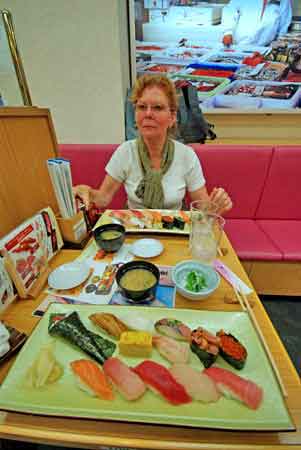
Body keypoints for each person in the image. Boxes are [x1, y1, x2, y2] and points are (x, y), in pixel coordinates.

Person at [73, 74, 232, 215]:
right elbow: (102, 198)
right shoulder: (125, 152)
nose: (148, 113)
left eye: (158, 107)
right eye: (142, 107)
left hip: (173, 229)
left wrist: (216, 205)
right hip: (135, 229)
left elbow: (202, 208)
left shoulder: (186, 155)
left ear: (172, 117)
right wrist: (85, 191)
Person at [221, 0, 291, 48]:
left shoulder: (284, 1)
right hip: (238, 44)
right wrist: (228, 33)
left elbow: (284, 22)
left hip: (265, 47)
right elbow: (230, 10)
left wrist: (279, 41)